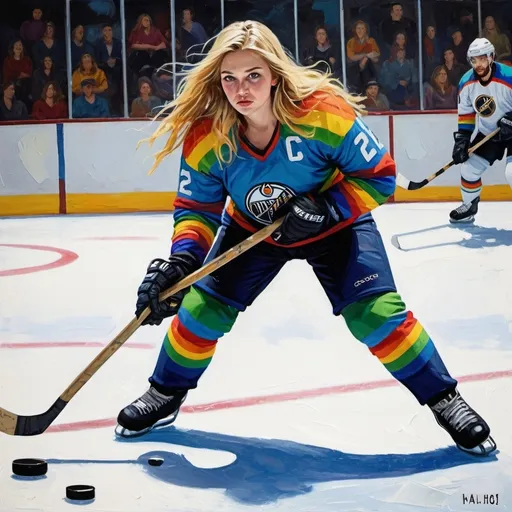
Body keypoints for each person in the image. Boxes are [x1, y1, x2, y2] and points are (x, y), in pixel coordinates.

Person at [115, 20, 496, 456]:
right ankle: (166, 392)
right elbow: (198, 210)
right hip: (252, 230)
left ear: (275, 74)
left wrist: (328, 209)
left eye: (253, 75)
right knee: (202, 310)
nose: (242, 89)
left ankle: (445, 398)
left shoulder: (322, 113)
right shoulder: (208, 135)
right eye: (230, 78)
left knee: (375, 314)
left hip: (336, 223)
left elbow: (380, 178)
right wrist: (183, 262)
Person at [450, 38, 512, 223]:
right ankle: (469, 206)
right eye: (474, 60)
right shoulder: (466, 82)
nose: (479, 64)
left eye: (483, 59)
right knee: (468, 170)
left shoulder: (508, 76)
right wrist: (462, 141)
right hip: (489, 132)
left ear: (491, 57)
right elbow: (466, 115)